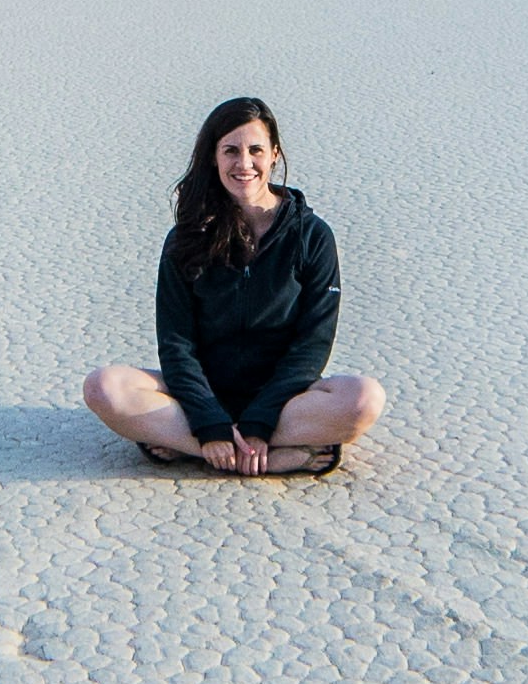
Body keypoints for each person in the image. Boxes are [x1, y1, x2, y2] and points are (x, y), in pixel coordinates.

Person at [84, 96, 386, 476]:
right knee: (103, 387)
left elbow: (312, 344)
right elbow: (176, 343)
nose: (244, 163)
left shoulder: (312, 236)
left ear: (274, 155)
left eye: (255, 150)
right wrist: (208, 420)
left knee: (364, 398)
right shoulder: (187, 237)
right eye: (230, 150)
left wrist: (261, 420)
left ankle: (197, 446)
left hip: (285, 400)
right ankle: (262, 456)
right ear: (213, 158)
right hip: (201, 395)